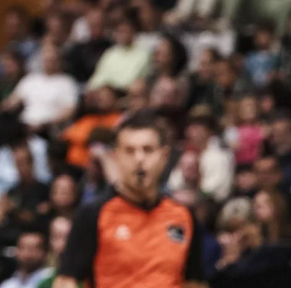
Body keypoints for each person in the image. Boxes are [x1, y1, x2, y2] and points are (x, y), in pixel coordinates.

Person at [54, 111, 205, 288]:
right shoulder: (93, 214)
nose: (139, 159)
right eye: (130, 151)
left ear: (164, 157)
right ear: (116, 157)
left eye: (148, 150)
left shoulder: (183, 216)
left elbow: (194, 282)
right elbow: (66, 281)